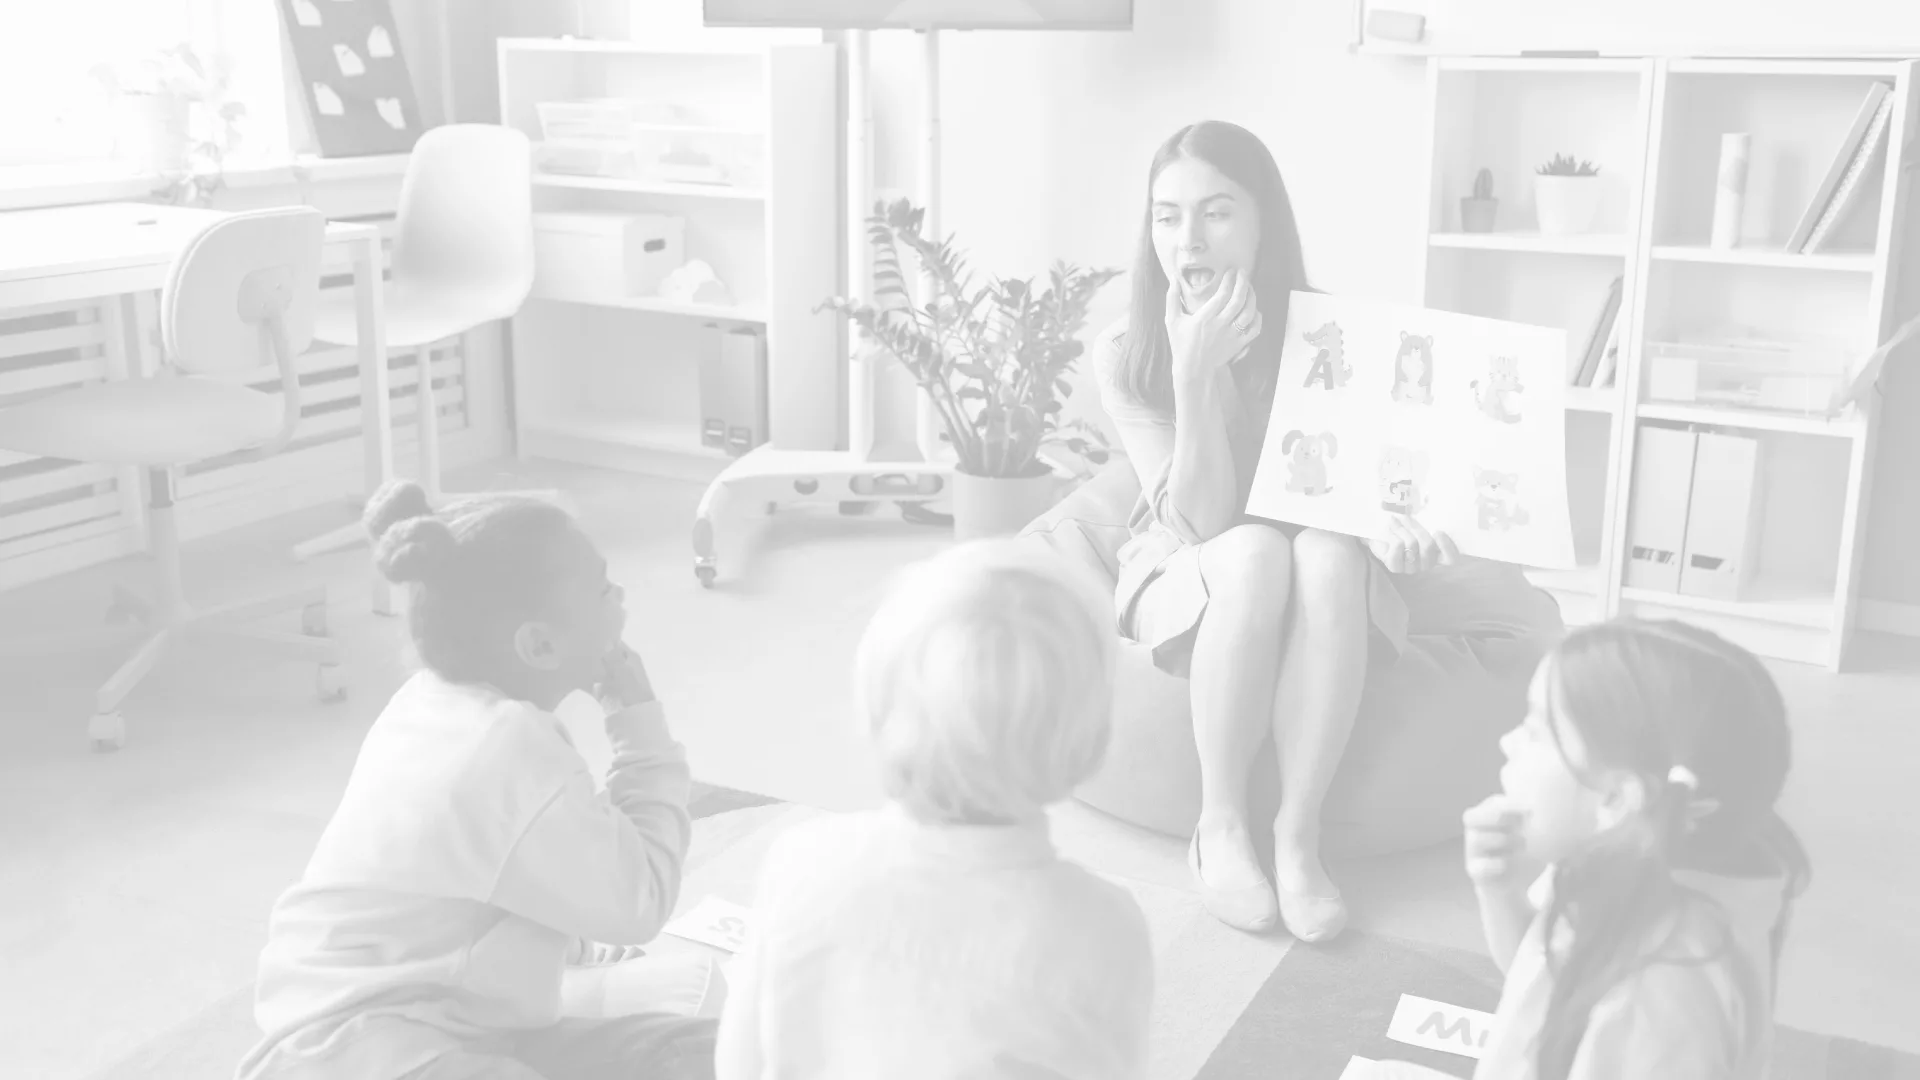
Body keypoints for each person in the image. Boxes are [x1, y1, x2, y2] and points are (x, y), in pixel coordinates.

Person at [1091, 119, 1558, 941]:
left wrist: (1395, 536)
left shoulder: (1334, 336)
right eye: (1167, 216)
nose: (1187, 239)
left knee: (1330, 553)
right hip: (1192, 562)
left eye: (1216, 212)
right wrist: (1195, 376)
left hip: (1312, 558)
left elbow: (1360, 493)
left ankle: (1297, 836)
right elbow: (1199, 526)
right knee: (1252, 552)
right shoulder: (1128, 351)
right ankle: (1220, 824)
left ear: (1262, 222)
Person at [236, 481, 719, 1080]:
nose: (619, 596)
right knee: (712, 1053)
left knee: (702, 1050)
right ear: (540, 644)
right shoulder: (510, 749)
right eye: (603, 589)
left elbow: (478, 882)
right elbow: (641, 898)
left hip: (354, 1036)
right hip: (376, 1053)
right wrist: (640, 731)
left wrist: (571, 944)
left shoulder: (428, 704)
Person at [713, 540, 1156, 1080]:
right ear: (1092, 744)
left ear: (874, 711)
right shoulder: (1103, 928)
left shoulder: (802, 861)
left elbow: (740, 1061)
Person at [1458, 618, 1808, 1078]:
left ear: (1617, 800)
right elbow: (1542, 978)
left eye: (1535, 730)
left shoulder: (1656, 993)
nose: (1508, 742)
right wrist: (1499, 890)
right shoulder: (1619, 862)